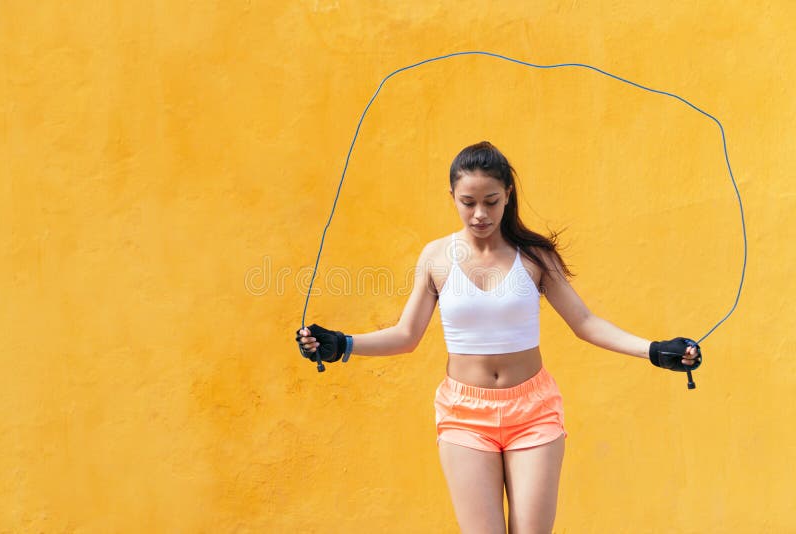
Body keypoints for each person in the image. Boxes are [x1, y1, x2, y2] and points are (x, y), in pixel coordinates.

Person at [295, 141, 702, 534]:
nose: (479, 214)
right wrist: (342, 344)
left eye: (490, 201)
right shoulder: (436, 257)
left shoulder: (534, 257)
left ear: (508, 195)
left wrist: (653, 350)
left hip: (534, 411)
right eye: (467, 202)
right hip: (464, 414)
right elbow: (407, 335)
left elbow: (585, 322)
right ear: (452, 195)